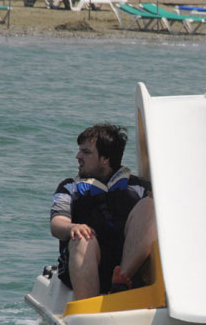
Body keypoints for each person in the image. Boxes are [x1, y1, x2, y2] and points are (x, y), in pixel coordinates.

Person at [50, 123, 156, 300]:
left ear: (105, 159)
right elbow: (56, 224)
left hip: (128, 264)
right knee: (83, 237)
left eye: (86, 152)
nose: (78, 156)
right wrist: (73, 228)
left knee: (150, 206)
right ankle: (87, 308)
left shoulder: (138, 187)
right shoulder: (69, 187)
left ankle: (121, 282)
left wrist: (160, 202)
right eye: (80, 151)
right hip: (84, 261)